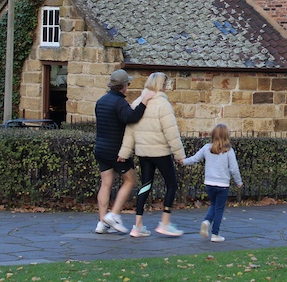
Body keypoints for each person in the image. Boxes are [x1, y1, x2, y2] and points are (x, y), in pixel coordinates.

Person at [118, 72, 186, 238]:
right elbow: (171, 132)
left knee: (145, 186)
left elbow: (130, 132)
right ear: (162, 86)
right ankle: (165, 222)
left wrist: (124, 153)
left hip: (143, 153)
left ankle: (138, 225)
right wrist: (179, 154)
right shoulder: (163, 105)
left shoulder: (137, 103)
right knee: (171, 184)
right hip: (161, 152)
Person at [94, 69, 155, 234]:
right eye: (127, 83)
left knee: (106, 184)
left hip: (100, 148)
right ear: (123, 86)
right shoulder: (119, 102)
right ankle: (113, 215)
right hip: (116, 151)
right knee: (130, 180)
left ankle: (102, 223)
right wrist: (144, 101)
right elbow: (131, 117)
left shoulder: (101, 101)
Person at [182, 123, 243, 242]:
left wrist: (183, 162)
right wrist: (238, 182)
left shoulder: (206, 148)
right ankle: (215, 234)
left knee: (213, 205)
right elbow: (234, 169)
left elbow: (194, 159)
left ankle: (207, 221)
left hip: (209, 183)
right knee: (219, 208)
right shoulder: (229, 151)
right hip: (223, 185)